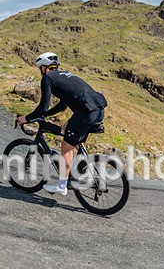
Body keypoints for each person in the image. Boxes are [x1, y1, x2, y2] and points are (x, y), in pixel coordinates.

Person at [15, 52, 107, 196]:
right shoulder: (65, 75)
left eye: (40, 68)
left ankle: (62, 185)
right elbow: (62, 106)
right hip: (98, 109)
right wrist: (44, 116)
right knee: (69, 133)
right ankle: (77, 171)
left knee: (66, 146)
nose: (40, 71)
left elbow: (43, 106)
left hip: (86, 112)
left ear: (44, 67)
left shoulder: (47, 79)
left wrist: (26, 118)